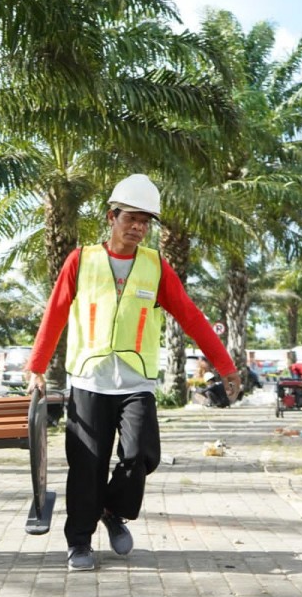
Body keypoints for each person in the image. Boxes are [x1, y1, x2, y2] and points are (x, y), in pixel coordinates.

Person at [25, 173, 240, 572]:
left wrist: (224, 365)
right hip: (89, 379)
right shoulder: (81, 261)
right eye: (131, 219)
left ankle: (112, 507)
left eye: (146, 222)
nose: (139, 227)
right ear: (112, 217)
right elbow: (55, 312)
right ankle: (79, 542)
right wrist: (36, 366)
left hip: (136, 382)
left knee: (140, 454)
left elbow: (191, 317)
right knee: (86, 465)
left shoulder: (155, 266)